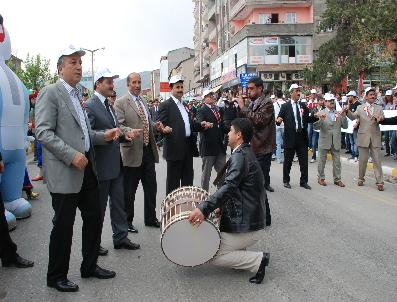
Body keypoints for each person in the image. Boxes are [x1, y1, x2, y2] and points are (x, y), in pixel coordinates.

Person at [35, 46, 120, 292]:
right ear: (60, 68)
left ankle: (90, 266)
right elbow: (42, 131)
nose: (79, 67)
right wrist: (71, 155)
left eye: (80, 63)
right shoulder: (50, 92)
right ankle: (56, 275)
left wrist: (104, 136)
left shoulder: (77, 95)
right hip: (66, 171)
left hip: (86, 169)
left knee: (94, 217)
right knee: (64, 225)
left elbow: (83, 135)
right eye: (73, 63)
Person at [188, 118, 270, 284]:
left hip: (249, 225)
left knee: (210, 252)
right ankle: (240, 252)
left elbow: (229, 187)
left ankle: (258, 260)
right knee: (217, 240)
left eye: (231, 131)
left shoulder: (241, 156)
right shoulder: (244, 152)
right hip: (252, 220)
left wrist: (204, 208)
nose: (228, 134)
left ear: (238, 135)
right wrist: (221, 207)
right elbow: (238, 190)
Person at [85, 68, 141, 254]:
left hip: (116, 165)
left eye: (112, 81)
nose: (112, 85)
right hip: (100, 167)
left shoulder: (109, 105)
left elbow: (115, 130)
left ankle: (120, 237)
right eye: (108, 82)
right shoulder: (90, 105)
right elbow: (87, 136)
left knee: (118, 204)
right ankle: (94, 243)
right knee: (98, 209)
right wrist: (106, 136)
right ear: (98, 84)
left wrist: (126, 135)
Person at [115, 73, 163, 231]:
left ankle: (150, 218)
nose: (137, 85)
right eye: (134, 82)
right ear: (128, 84)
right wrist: (129, 131)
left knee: (151, 187)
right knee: (129, 191)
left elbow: (147, 122)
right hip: (132, 152)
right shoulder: (121, 102)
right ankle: (127, 222)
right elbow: (119, 126)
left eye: (139, 82)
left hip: (148, 151)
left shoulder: (143, 101)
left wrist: (156, 126)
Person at [158, 75, 211, 194]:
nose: (180, 89)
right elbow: (160, 125)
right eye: (177, 87)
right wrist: (163, 129)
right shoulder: (165, 105)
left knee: (188, 183)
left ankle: (186, 209)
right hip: (174, 149)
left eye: (182, 86)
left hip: (187, 148)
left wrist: (201, 125)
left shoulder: (185, 105)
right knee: (173, 185)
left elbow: (190, 124)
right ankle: (172, 211)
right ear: (171, 88)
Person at [238, 77, 276, 193]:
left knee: (259, 185)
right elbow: (243, 120)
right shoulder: (251, 103)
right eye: (247, 89)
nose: (248, 91)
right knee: (253, 183)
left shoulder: (267, 102)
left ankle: (263, 210)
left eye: (251, 89)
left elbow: (259, 121)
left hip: (262, 148)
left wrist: (243, 107)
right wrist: (240, 107)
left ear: (260, 89)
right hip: (252, 147)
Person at [346, 87, 384, 191]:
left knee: (377, 160)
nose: (373, 96)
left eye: (374, 94)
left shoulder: (379, 108)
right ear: (366, 96)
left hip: (375, 137)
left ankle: (380, 182)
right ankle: (361, 178)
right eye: (370, 94)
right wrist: (347, 111)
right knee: (363, 160)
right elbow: (353, 117)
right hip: (363, 137)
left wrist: (380, 118)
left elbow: (382, 117)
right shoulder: (360, 107)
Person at [276, 84, 314, 190]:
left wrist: (316, 117)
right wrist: (278, 120)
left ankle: (304, 181)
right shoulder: (285, 106)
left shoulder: (303, 106)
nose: (298, 93)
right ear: (291, 92)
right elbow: (279, 119)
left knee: (304, 161)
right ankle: (286, 180)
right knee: (288, 161)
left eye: (299, 91)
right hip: (290, 137)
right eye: (296, 91)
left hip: (301, 136)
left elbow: (307, 119)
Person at [314, 94, 348, 187]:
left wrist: (344, 117)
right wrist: (321, 119)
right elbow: (316, 126)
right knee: (322, 160)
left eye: (333, 100)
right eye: (329, 101)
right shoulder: (321, 112)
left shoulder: (338, 113)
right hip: (324, 140)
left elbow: (345, 126)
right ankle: (321, 178)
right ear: (325, 102)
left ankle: (337, 179)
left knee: (337, 162)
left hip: (336, 140)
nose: (332, 102)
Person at [196, 90, 226, 191]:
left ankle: (220, 194)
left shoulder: (217, 109)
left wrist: (233, 128)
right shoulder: (201, 110)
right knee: (206, 175)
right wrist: (203, 124)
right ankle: (204, 196)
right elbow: (199, 122)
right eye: (209, 95)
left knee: (222, 172)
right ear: (204, 99)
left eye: (212, 95)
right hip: (208, 147)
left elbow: (221, 126)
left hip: (219, 147)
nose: (212, 97)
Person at [309, 96, 325, 163]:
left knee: (322, 144)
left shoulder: (325, 109)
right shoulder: (313, 109)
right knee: (314, 143)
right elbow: (311, 117)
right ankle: (314, 157)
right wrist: (315, 115)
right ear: (318, 101)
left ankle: (322, 157)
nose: (322, 102)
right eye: (321, 100)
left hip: (322, 128)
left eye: (323, 100)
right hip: (315, 128)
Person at [346, 91, 360, 162]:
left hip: (356, 127)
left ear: (353, 96)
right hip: (350, 127)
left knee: (355, 141)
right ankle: (353, 154)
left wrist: (357, 123)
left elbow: (359, 116)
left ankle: (356, 155)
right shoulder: (350, 105)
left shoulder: (358, 105)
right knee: (351, 141)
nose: (348, 98)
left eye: (349, 96)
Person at [273, 90, 285, 164]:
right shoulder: (285, 103)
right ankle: (287, 157)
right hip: (284, 125)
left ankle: (279, 159)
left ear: (276, 96)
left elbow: (272, 116)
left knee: (278, 143)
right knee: (286, 142)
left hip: (276, 125)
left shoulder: (273, 104)